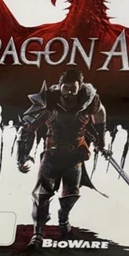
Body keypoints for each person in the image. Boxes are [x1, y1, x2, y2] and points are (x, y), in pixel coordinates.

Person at [16, 68, 106, 245]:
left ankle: (63, 219)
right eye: (66, 88)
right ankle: (38, 233)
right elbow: (28, 128)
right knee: (41, 194)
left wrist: (101, 139)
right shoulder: (48, 102)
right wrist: (23, 155)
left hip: (74, 156)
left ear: (80, 87)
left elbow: (100, 113)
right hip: (52, 154)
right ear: (60, 86)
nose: (69, 92)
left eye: (73, 88)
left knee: (71, 194)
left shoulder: (88, 102)